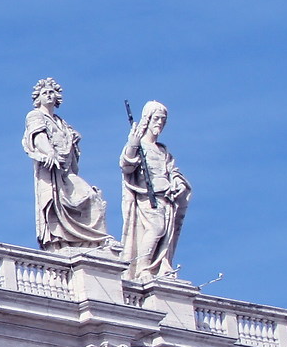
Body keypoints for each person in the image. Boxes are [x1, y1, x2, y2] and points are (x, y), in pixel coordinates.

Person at [22, 78, 110, 250]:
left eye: (51, 92)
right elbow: (38, 137)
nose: (48, 95)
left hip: (67, 171)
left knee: (93, 198)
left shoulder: (61, 122)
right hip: (52, 170)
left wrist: (73, 140)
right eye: (44, 93)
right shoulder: (35, 116)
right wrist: (49, 153)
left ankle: (92, 242)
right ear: (37, 98)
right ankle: (62, 241)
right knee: (57, 204)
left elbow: (70, 146)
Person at [121, 100, 189, 282]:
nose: (160, 123)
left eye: (163, 120)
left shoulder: (163, 150)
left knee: (165, 233)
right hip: (147, 196)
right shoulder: (139, 145)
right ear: (148, 119)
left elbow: (173, 171)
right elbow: (126, 165)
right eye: (157, 118)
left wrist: (178, 183)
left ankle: (159, 267)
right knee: (156, 229)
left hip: (167, 197)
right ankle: (143, 267)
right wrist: (133, 144)